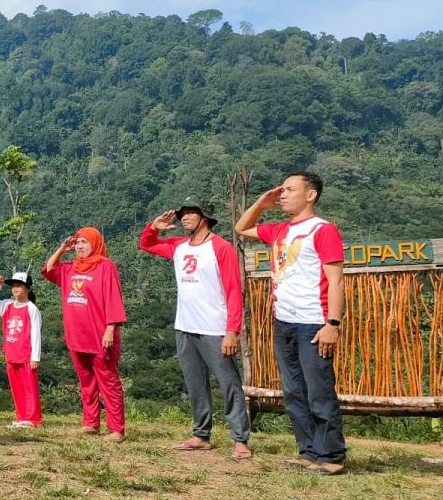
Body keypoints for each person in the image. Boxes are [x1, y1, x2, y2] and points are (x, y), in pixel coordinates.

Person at [235, 172, 346, 475]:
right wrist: (261, 202)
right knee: (293, 391)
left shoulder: (322, 230)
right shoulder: (280, 230)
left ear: (311, 195)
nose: (282, 195)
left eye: (290, 190)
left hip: (313, 323)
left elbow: (336, 282)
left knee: (319, 390)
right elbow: (241, 227)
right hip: (284, 321)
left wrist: (332, 324)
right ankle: (308, 452)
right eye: (281, 190)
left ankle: (332, 456)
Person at [139, 199, 251, 459]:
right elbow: (146, 245)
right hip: (185, 326)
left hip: (215, 327)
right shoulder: (178, 246)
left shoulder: (220, 248)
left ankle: (240, 439)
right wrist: (154, 227)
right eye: (182, 214)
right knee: (195, 382)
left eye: (191, 213)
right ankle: (201, 435)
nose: (184, 217)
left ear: (205, 217)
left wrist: (232, 330)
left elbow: (234, 290)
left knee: (229, 383)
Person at [42, 227, 127, 442]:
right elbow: (48, 269)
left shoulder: (105, 267)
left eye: (84, 242)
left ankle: (116, 429)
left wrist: (110, 329)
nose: (80, 246)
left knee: (108, 381)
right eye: (77, 242)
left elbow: (113, 298)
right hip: (77, 336)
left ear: (95, 244)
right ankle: (90, 423)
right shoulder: (70, 268)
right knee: (86, 382)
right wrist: (62, 249)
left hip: (99, 336)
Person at [0, 271, 43, 427]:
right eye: (13, 286)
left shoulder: (32, 309)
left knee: (30, 387)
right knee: (16, 387)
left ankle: (32, 419)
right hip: (11, 353)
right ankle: (21, 417)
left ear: (28, 288)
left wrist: (35, 357)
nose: (15, 288)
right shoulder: (7, 305)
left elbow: (36, 332)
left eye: (19, 285)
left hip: (26, 354)